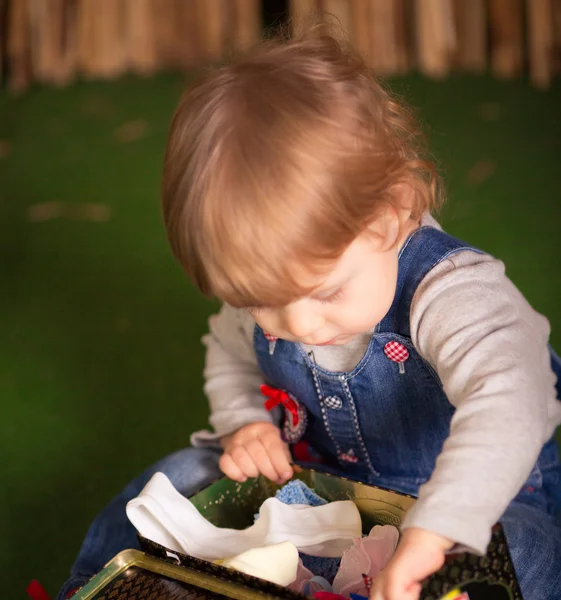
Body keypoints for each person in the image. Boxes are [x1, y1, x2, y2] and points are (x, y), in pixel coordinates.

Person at [58, 25, 561, 600]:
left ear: (392, 210)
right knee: (177, 477)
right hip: (317, 491)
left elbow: (514, 398)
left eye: (326, 293)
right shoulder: (274, 276)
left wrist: (438, 527)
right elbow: (227, 352)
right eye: (256, 301)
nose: (293, 326)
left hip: (471, 504)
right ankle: (91, 589)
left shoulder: (448, 291)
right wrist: (245, 421)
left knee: (526, 553)